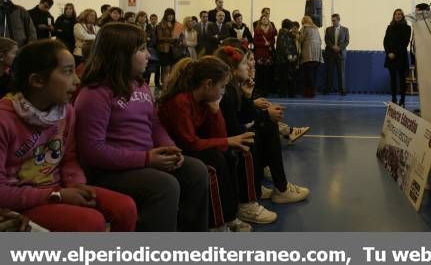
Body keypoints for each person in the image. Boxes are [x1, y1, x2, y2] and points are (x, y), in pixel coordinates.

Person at [75, 23, 210, 231]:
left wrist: (170, 148)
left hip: (143, 161)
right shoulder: (95, 94)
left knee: (197, 171)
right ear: (119, 54)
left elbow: (154, 124)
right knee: (164, 186)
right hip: (109, 171)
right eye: (141, 50)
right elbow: (92, 151)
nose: (149, 56)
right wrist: (146, 159)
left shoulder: (141, 85)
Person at [0, 40, 137, 231]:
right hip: (22, 203)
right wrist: (58, 195)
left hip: (59, 190)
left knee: (125, 208)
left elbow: (69, 159)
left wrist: (77, 185)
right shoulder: (5, 119)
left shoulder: (66, 112)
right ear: (37, 80)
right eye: (67, 71)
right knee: (91, 222)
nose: (77, 80)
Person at [158, 57, 269, 231]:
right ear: (208, 84)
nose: (223, 92)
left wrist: (216, 111)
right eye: (222, 86)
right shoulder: (181, 102)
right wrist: (227, 141)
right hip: (174, 152)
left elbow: (219, 138)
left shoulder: (205, 102)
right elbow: (188, 143)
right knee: (215, 160)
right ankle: (217, 224)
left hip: (187, 147)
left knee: (229, 155)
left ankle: (231, 215)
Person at [215, 46, 309, 206]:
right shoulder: (228, 92)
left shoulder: (235, 88)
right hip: (227, 140)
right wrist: (262, 115)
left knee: (266, 126)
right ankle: (266, 193)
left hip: (233, 133)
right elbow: (235, 125)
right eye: (246, 62)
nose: (250, 66)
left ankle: (272, 186)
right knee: (262, 130)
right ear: (233, 70)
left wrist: (247, 96)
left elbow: (243, 115)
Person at [383, 9, 412, 106]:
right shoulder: (389, 27)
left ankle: (402, 99)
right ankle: (394, 98)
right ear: (393, 16)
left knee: (402, 79)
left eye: (399, 14)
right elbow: (385, 42)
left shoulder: (407, 28)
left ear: (402, 16)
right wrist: (389, 53)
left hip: (401, 57)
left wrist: (394, 53)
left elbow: (405, 43)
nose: (397, 15)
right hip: (390, 57)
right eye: (396, 14)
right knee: (393, 79)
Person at [324, 13, 349, 95]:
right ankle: (328, 89)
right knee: (329, 72)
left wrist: (339, 48)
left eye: (334, 21)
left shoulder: (345, 30)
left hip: (341, 54)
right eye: (332, 21)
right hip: (330, 53)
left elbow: (346, 41)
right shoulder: (328, 29)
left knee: (341, 73)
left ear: (338, 20)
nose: (333, 22)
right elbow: (326, 40)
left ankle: (342, 90)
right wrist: (333, 47)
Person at [299, 16, 323, 98]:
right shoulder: (316, 28)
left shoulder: (305, 28)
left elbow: (301, 39)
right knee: (314, 75)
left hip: (308, 54)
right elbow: (320, 41)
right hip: (317, 55)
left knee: (308, 75)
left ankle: (309, 93)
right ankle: (313, 91)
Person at [253, 15, 276, 97]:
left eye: (266, 19)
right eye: (263, 19)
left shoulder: (271, 29)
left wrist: (270, 43)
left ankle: (266, 91)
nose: (265, 20)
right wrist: (264, 44)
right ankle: (260, 91)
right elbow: (255, 42)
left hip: (268, 53)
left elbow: (273, 41)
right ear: (261, 20)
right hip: (259, 52)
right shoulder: (257, 30)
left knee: (267, 73)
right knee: (259, 73)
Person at [275, 19, 298, 98]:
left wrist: (293, 55)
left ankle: (287, 93)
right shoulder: (283, 34)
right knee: (285, 77)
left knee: (286, 77)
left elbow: (290, 46)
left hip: (286, 59)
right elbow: (284, 46)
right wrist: (290, 55)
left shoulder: (287, 34)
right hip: (284, 59)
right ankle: (285, 93)